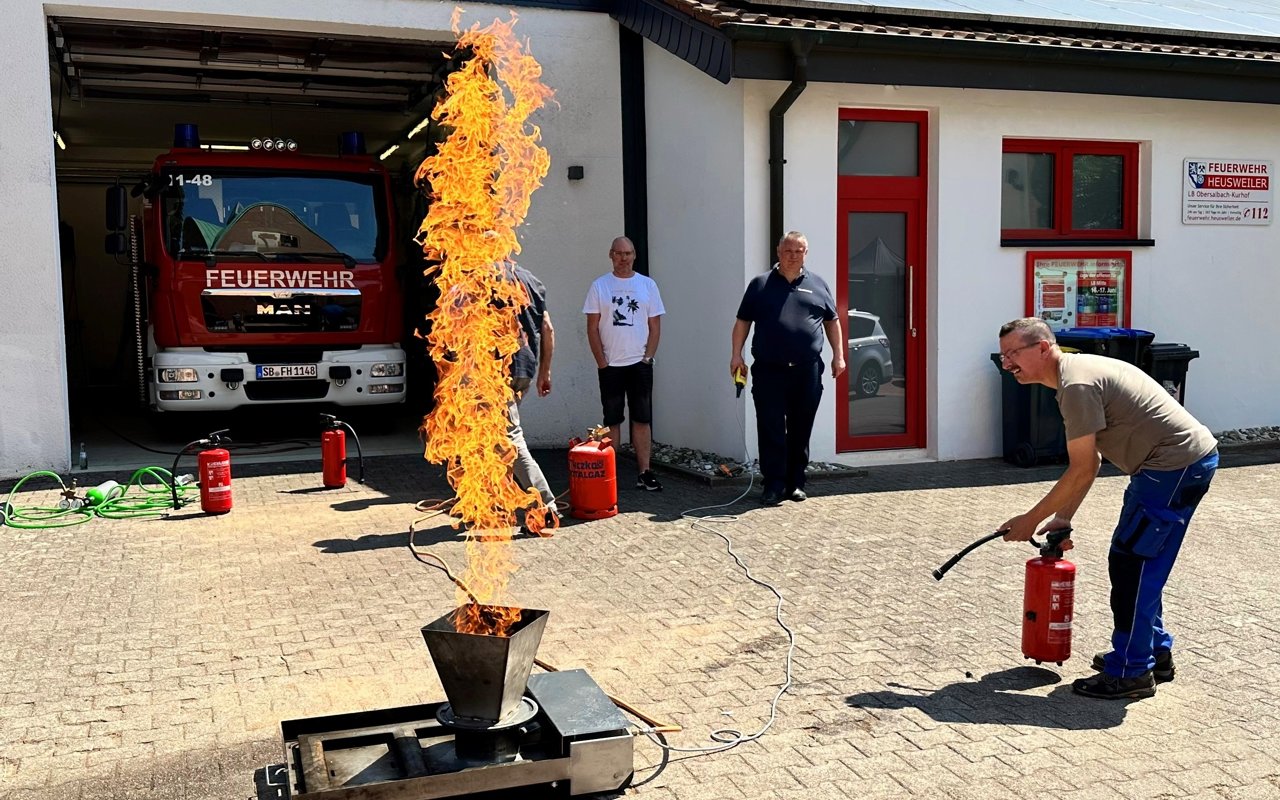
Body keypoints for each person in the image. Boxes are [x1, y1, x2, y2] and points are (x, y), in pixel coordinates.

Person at [995, 317, 1218, 700]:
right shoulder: (1073, 375)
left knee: (1134, 565)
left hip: (1172, 467)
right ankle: (1152, 653)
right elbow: (1092, 461)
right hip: (1167, 467)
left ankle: (1131, 672)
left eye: (1014, 353)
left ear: (1043, 348)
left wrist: (1029, 520)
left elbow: (1080, 467)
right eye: (1003, 356)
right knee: (1137, 560)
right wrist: (1063, 517)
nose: (1007, 363)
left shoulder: (1076, 385)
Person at [730, 231, 846, 506]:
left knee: (800, 428)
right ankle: (772, 485)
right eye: (788, 251)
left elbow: (832, 321)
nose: (793, 256)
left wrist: (838, 356)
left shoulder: (818, 284)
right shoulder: (760, 284)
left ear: (806, 253)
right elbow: (742, 322)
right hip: (769, 370)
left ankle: (795, 483)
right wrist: (736, 355)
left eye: (799, 251)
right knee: (770, 427)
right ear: (778, 252)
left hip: (806, 371)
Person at [583, 236, 665, 491]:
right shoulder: (599, 286)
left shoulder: (647, 285)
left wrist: (648, 357)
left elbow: (655, 326)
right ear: (611, 255)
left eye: (628, 253)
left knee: (642, 418)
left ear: (634, 255)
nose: (623, 258)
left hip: (639, 364)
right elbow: (592, 327)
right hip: (611, 366)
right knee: (612, 420)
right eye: (619, 253)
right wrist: (602, 362)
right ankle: (611, 474)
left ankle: (645, 472)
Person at [503, 262, 559, 530]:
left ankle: (546, 508)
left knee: (510, 440)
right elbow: (547, 328)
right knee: (496, 441)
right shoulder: (531, 280)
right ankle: (503, 507)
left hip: (495, 372)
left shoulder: (481, 277)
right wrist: (544, 372)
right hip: (524, 369)